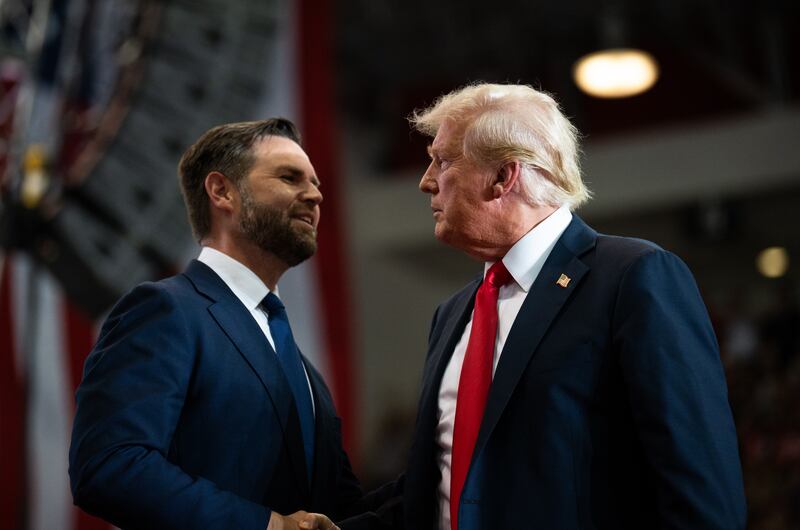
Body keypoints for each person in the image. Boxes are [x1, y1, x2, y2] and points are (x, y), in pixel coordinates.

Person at [400, 84, 747, 529]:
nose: (426, 180)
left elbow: (702, 496)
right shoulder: (451, 314)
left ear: (503, 176)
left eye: (442, 160)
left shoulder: (634, 278)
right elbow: (442, 487)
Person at [69, 119, 358, 530]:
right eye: (289, 177)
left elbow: (338, 506)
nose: (314, 195)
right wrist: (268, 525)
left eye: (315, 183)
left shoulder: (302, 369)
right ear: (222, 191)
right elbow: (110, 464)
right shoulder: (165, 312)